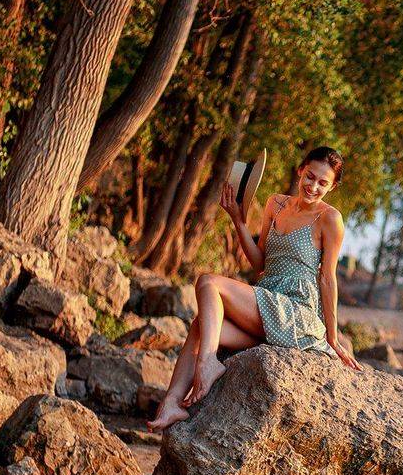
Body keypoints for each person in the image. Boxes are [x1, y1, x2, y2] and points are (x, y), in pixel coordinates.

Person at [147, 146, 363, 432]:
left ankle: (208, 363)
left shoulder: (330, 219)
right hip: (267, 300)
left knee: (208, 282)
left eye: (323, 183)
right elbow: (261, 264)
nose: (313, 186)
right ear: (300, 171)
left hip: (295, 312)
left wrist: (332, 338)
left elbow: (327, 279)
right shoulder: (276, 204)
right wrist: (239, 221)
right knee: (201, 325)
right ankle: (171, 404)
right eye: (310, 177)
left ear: (332, 187)